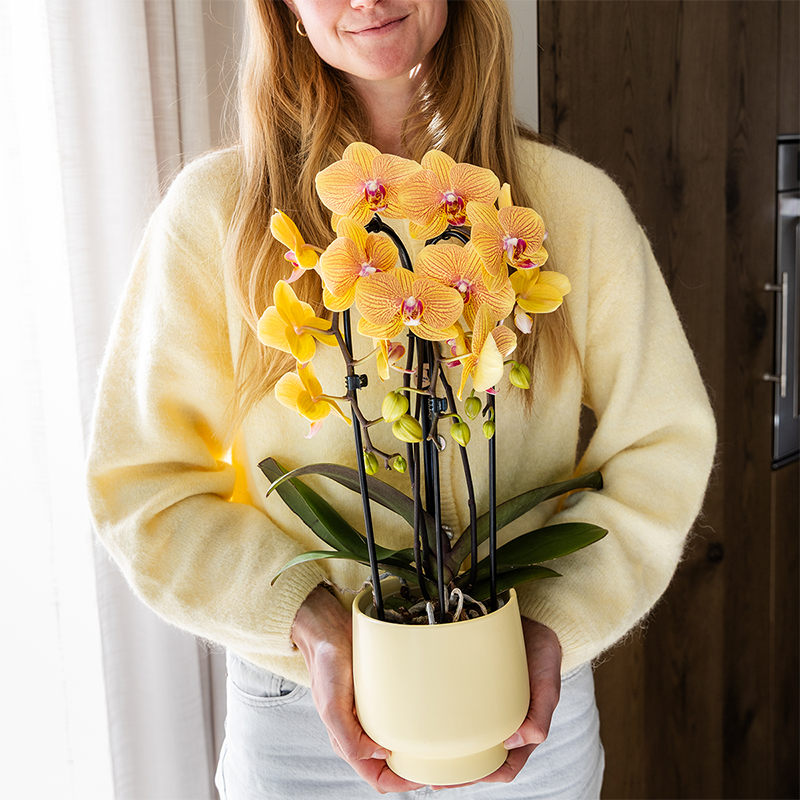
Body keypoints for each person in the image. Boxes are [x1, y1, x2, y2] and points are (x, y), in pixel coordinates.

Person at [85, 0, 716, 797]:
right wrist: (305, 620)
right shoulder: (220, 216)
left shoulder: (570, 208)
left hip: (518, 702)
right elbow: (143, 484)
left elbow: (664, 443)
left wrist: (558, 618)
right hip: (303, 720)